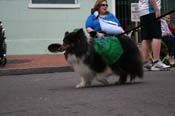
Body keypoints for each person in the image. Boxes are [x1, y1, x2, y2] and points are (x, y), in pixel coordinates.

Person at [138, 0, 170, 71]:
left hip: (144, 11)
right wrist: (157, 10)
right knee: (157, 35)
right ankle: (156, 62)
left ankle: (145, 63)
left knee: (146, 38)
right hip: (151, 10)